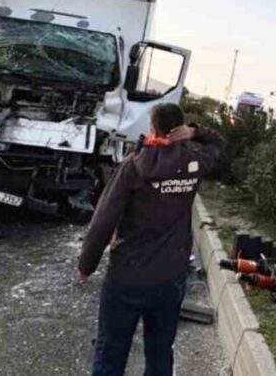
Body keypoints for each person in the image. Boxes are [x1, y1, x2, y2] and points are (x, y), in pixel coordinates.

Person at [78, 103, 223, 376]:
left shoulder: (133, 167)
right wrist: (194, 132)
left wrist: (87, 265)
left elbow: (103, 220)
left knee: (110, 350)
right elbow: (218, 142)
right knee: (159, 351)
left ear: (153, 127)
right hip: (170, 278)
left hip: (126, 278)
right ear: (179, 129)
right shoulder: (193, 163)